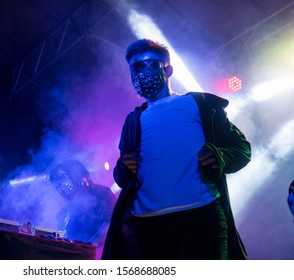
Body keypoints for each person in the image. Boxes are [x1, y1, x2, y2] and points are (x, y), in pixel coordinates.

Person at [102, 39, 251, 260]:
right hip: (148, 225)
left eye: (150, 64)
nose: (142, 73)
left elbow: (241, 148)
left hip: (202, 216)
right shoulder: (134, 120)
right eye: (136, 67)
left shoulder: (200, 104)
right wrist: (123, 167)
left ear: (168, 69)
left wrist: (220, 156)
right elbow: (122, 175)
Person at [49, 159, 117, 258]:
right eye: (56, 184)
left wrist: (90, 247)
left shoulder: (102, 193)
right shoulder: (64, 211)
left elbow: (111, 225)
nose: (60, 187)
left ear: (76, 174)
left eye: (63, 178)